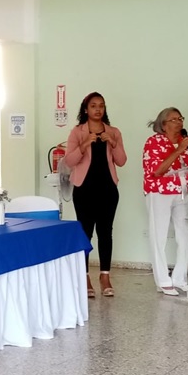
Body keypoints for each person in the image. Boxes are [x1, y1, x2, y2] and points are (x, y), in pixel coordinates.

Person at [64, 92, 127, 298]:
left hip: (108, 189)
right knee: (85, 233)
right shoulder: (77, 132)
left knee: (105, 233)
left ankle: (105, 276)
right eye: (93, 106)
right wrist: (84, 144)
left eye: (101, 105)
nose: (98, 109)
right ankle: (84, 276)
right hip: (84, 190)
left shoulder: (114, 132)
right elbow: (70, 161)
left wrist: (114, 143)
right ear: (86, 109)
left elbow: (122, 161)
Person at [143, 107, 188, 296]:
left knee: (186, 235)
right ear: (163, 124)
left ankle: (179, 278)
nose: (179, 122)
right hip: (160, 191)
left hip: (184, 191)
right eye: (174, 119)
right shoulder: (154, 142)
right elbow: (157, 170)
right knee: (158, 235)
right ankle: (162, 280)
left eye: (180, 118)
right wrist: (179, 151)